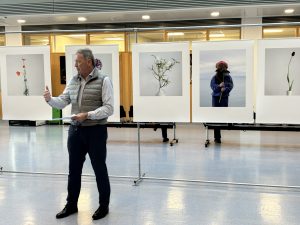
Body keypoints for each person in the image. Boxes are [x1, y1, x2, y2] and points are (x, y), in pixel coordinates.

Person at [43, 48, 113, 220]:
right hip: (75, 132)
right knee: (73, 170)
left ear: (89, 62)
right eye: (75, 61)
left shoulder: (104, 80)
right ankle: (71, 205)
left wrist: (88, 115)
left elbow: (109, 108)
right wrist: (50, 99)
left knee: (99, 169)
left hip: (96, 131)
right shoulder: (73, 81)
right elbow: (63, 101)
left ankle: (104, 206)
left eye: (78, 61)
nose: (75, 64)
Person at [210, 61, 233, 143]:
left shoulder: (228, 77)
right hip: (215, 98)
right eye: (221, 67)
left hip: (224, 98)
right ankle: (217, 137)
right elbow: (212, 86)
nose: (222, 68)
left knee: (225, 113)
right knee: (215, 117)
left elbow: (230, 86)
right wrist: (219, 86)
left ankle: (229, 126)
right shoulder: (215, 77)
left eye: (224, 67)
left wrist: (225, 89)